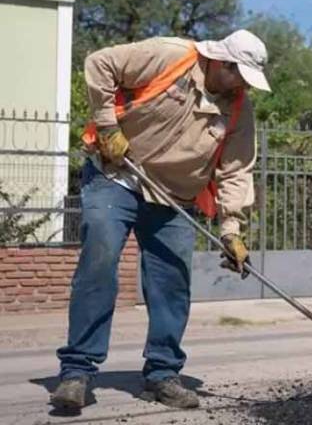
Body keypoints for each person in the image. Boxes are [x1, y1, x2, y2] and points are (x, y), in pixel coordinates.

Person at [50, 30, 270, 411]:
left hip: (173, 197)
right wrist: (107, 126)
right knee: (99, 262)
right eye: (239, 76)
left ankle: (162, 375)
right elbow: (99, 62)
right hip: (116, 176)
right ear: (222, 63)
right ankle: (77, 372)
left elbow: (236, 172)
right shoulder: (171, 56)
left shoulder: (239, 108)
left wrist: (232, 230)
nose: (242, 88)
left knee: (172, 282)